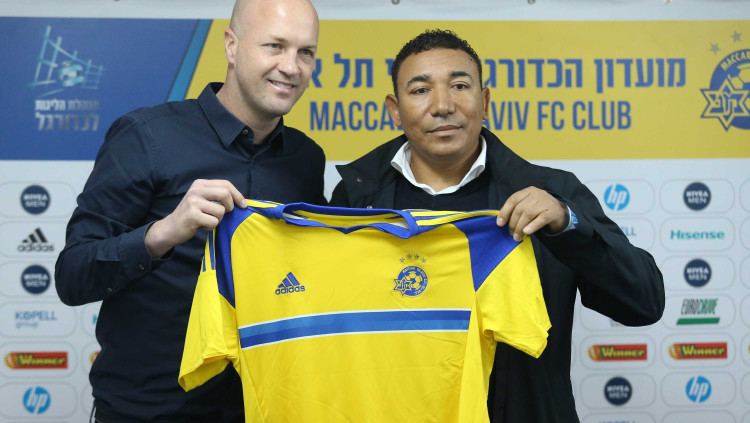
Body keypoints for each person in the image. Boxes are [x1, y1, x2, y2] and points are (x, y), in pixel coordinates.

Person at [329, 29, 664, 423]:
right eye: (420, 90)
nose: (442, 106)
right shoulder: (356, 201)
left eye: (459, 86)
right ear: (395, 110)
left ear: (485, 102)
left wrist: (567, 225)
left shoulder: (551, 193)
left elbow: (644, 303)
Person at [55, 0, 324, 421]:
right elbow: (72, 276)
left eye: (305, 52)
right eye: (274, 46)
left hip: (263, 409)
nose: (291, 67)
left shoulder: (306, 159)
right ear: (231, 45)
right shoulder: (146, 136)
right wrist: (161, 234)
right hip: (147, 412)